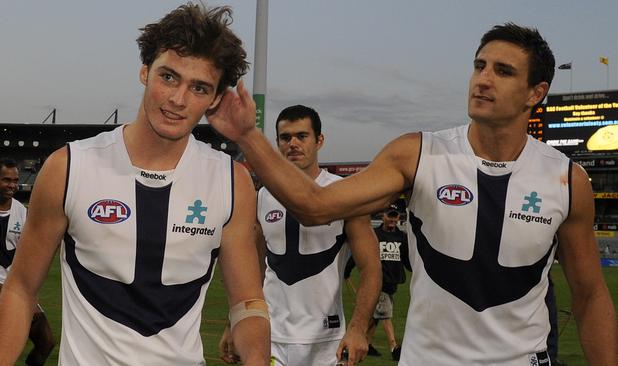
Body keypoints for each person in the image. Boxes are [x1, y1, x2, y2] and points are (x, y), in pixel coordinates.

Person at [207, 22, 618, 365]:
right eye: (480, 66)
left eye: (503, 71)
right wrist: (248, 135)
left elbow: (589, 295)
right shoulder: (420, 153)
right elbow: (317, 206)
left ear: (535, 92)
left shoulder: (567, 179)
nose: (484, 79)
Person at [0, 5, 270, 366]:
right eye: (168, 77)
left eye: (199, 87)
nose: (178, 99)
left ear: (214, 99)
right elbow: (21, 290)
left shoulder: (231, 182)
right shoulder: (70, 167)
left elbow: (247, 301)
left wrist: (257, 355)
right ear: (145, 71)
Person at [219, 105, 381, 366]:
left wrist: (359, 329)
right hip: (270, 337)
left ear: (320, 140)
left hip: (326, 341)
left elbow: (371, 268)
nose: (293, 144)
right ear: (277, 143)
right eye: (285, 137)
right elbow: (252, 270)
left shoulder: (345, 194)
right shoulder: (262, 196)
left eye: (302, 136)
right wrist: (233, 323)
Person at [0, 158, 55, 365]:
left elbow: (30, 254)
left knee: (47, 343)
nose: (12, 185)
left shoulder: (22, 211)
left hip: (19, 288)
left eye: (15, 180)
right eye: (6, 180)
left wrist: (31, 293)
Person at [366, 204, 410, 361]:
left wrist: (416, 270)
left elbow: (406, 259)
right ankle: (394, 348)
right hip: (378, 282)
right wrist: (349, 269)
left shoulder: (402, 237)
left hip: (393, 283)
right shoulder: (375, 234)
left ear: (398, 217)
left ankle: (367, 344)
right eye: (389, 215)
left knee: (376, 316)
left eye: (395, 215)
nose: (392, 219)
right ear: (382, 216)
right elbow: (364, 254)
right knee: (385, 314)